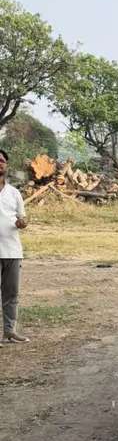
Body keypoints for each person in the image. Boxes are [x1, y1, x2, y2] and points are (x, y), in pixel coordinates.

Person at [0, 148, 29, 345]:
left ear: (6, 165)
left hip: (12, 250)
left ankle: (9, 331)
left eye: (1, 160)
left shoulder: (14, 193)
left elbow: (23, 217)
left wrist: (23, 223)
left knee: (11, 294)